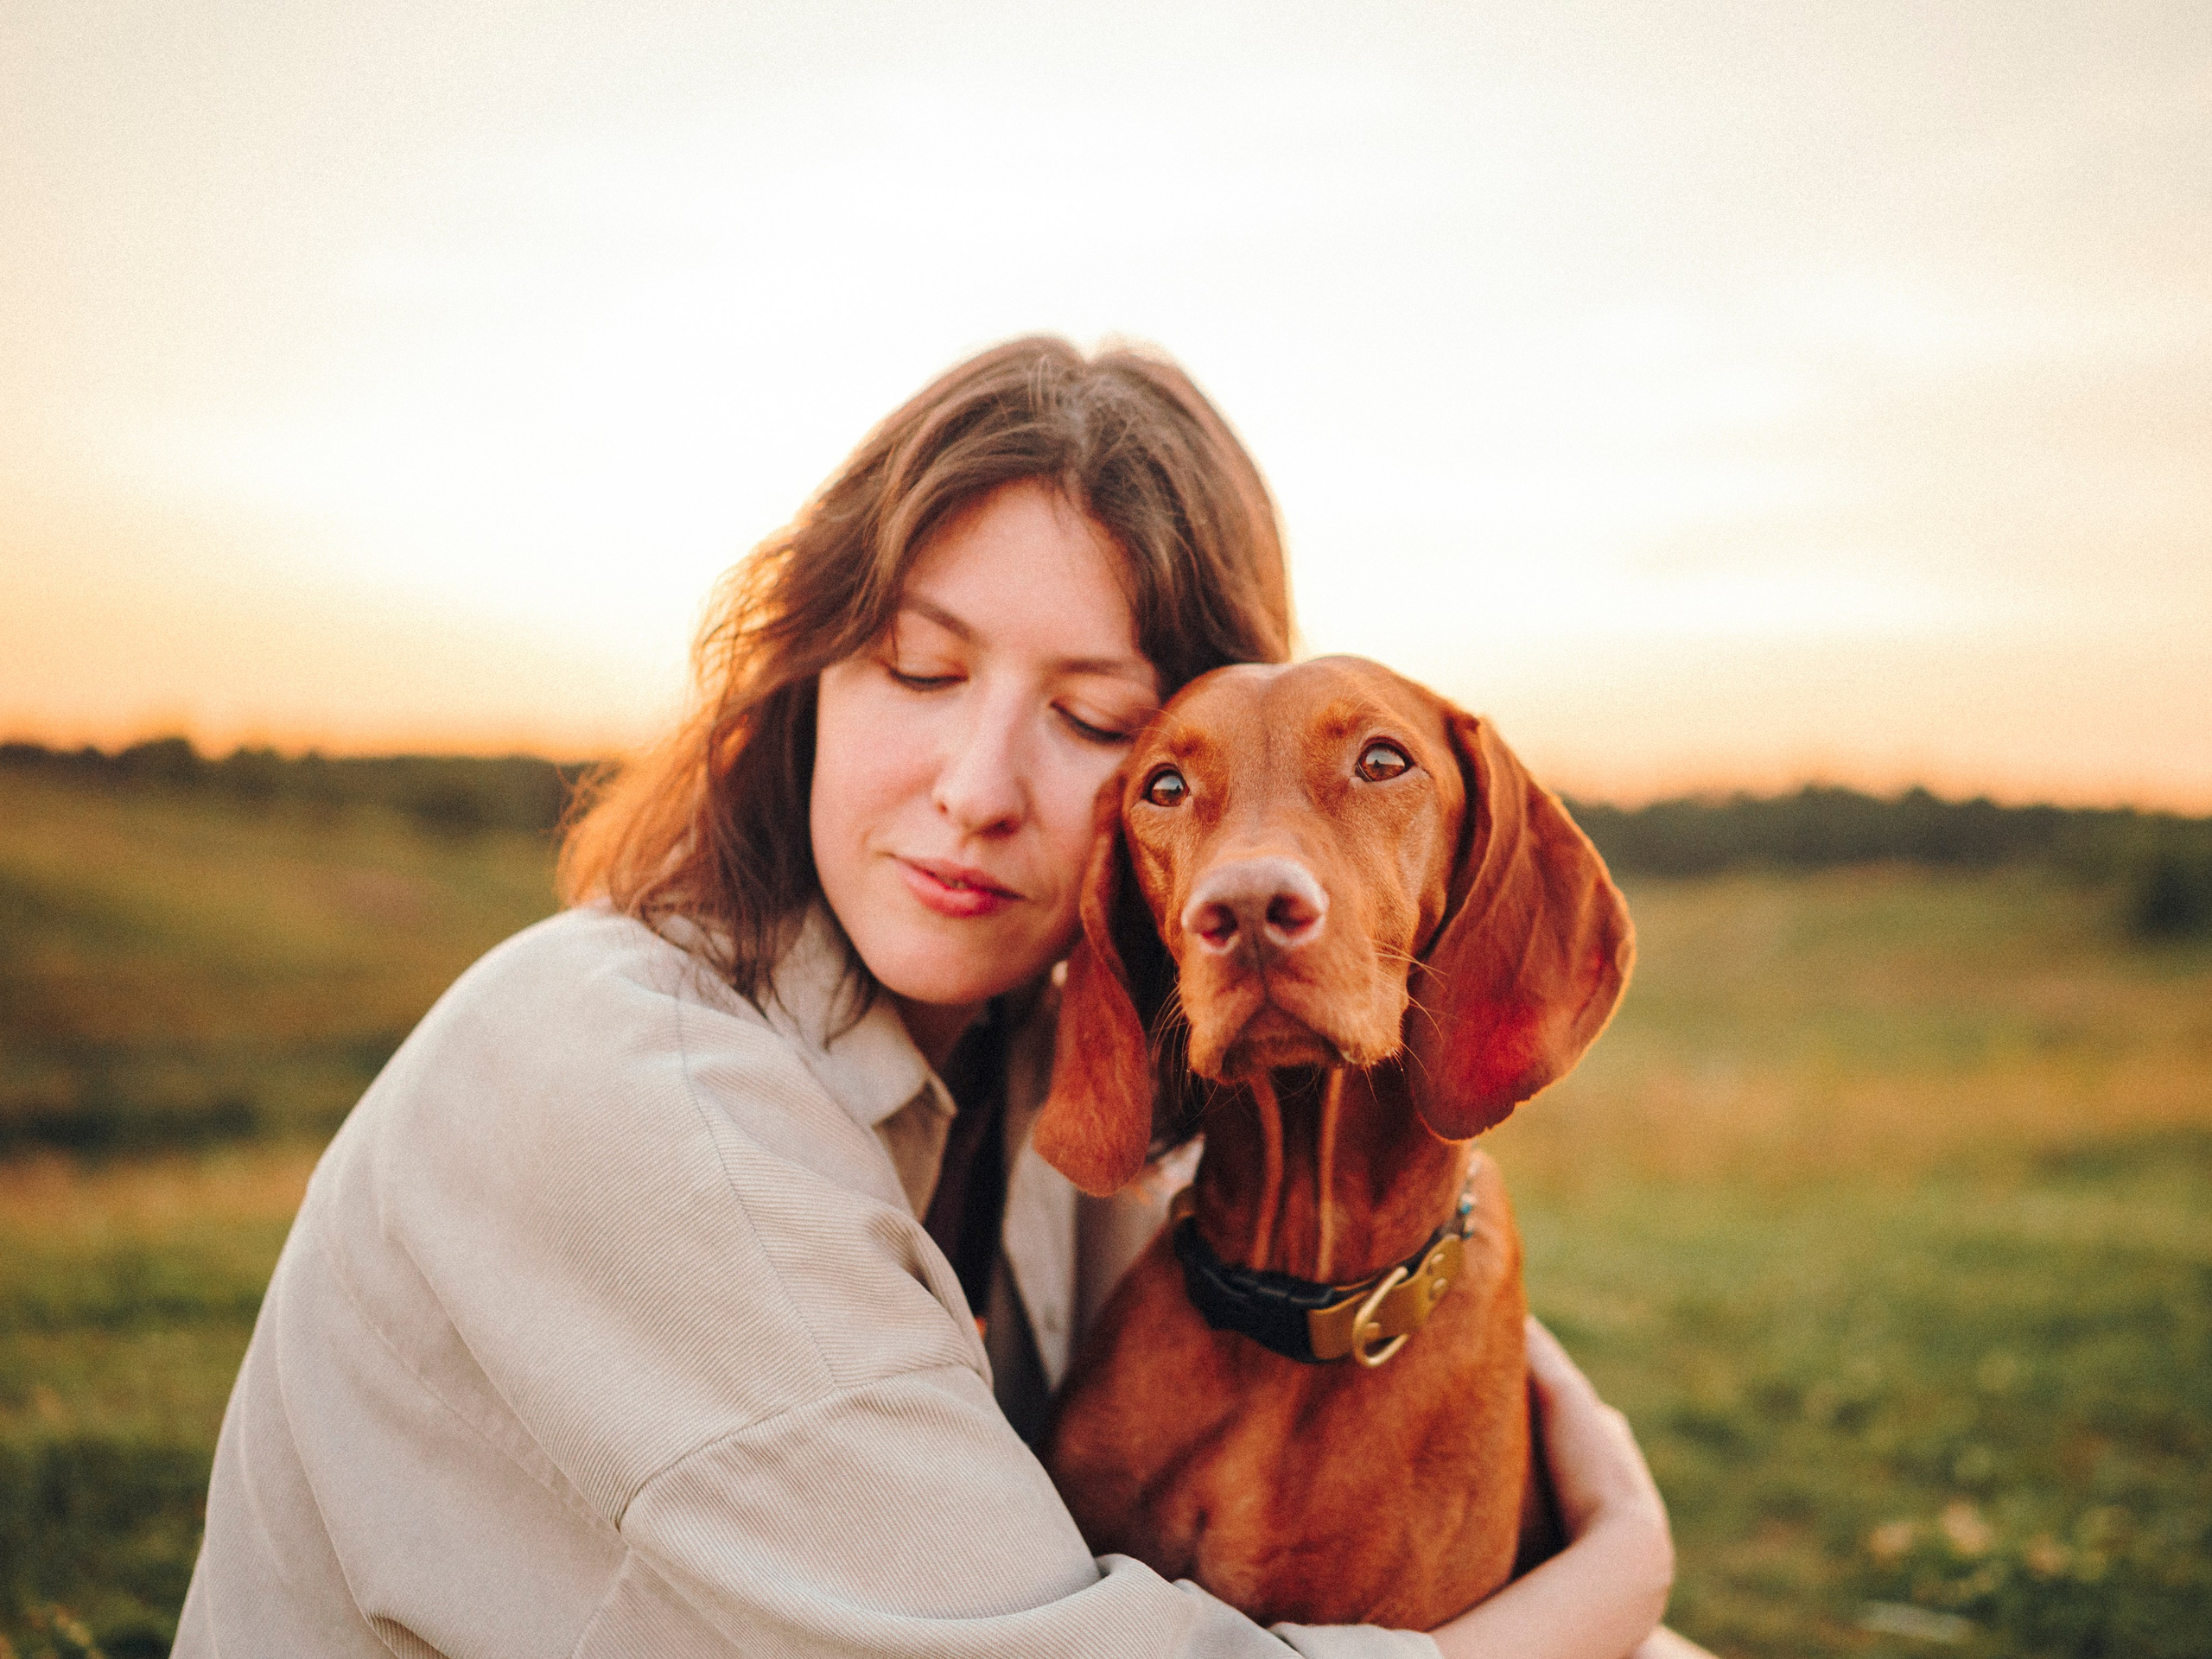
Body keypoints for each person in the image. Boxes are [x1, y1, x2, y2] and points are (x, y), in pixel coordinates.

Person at [176, 338, 1681, 1658]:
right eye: (916, 670)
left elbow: (1362, 1285)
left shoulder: (1069, 1078)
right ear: (808, 674)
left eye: (1096, 718)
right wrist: (1623, 1575)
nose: (975, 792)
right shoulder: (619, 1086)